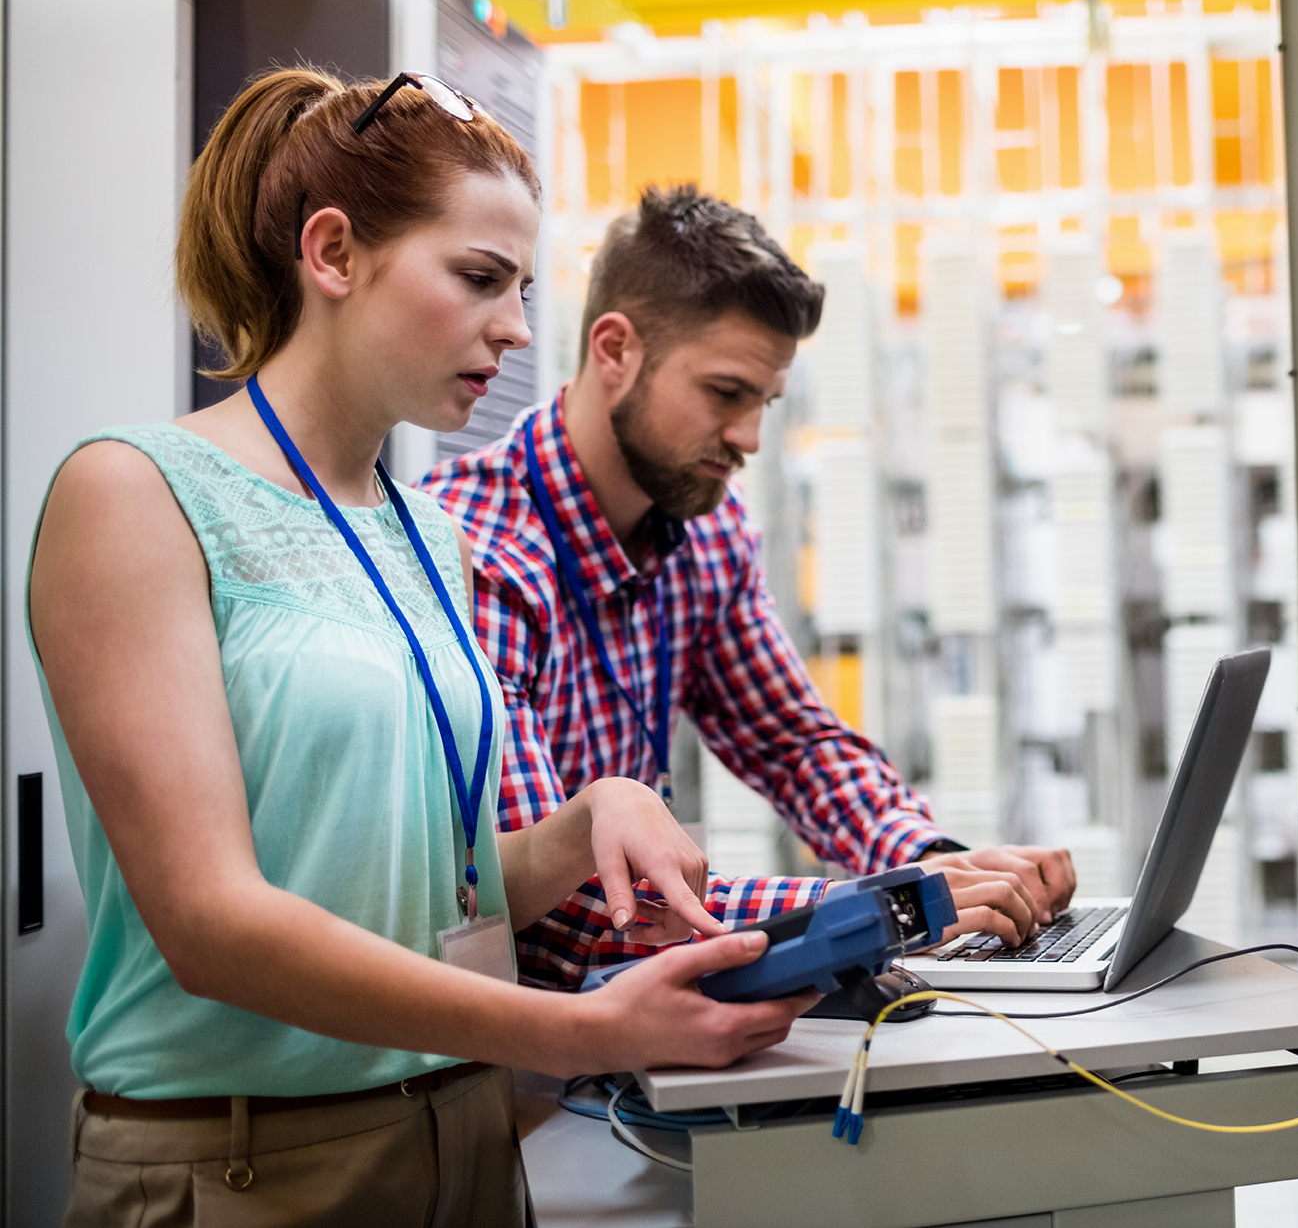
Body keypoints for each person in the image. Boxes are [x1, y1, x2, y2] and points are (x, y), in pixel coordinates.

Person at [31, 68, 816, 1225]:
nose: (512, 326)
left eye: (522, 288)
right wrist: (589, 1028)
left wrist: (587, 815)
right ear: (334, 254)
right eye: (478, 278)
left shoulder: (427, 531)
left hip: (461, 1137)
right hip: (244, 1168)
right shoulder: (135, 493)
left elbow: (410, 892)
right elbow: (213, 925)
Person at [422, 183, 1076, 990]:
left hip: (643, 1027)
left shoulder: (704, 528)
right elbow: (557, 907)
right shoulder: (476, 555)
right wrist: (887, 912)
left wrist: (932, 860)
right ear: (615, 349)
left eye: (764, 402)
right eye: (725, 394)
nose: (749, 439)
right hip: (526, 1046)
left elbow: (791, 743)